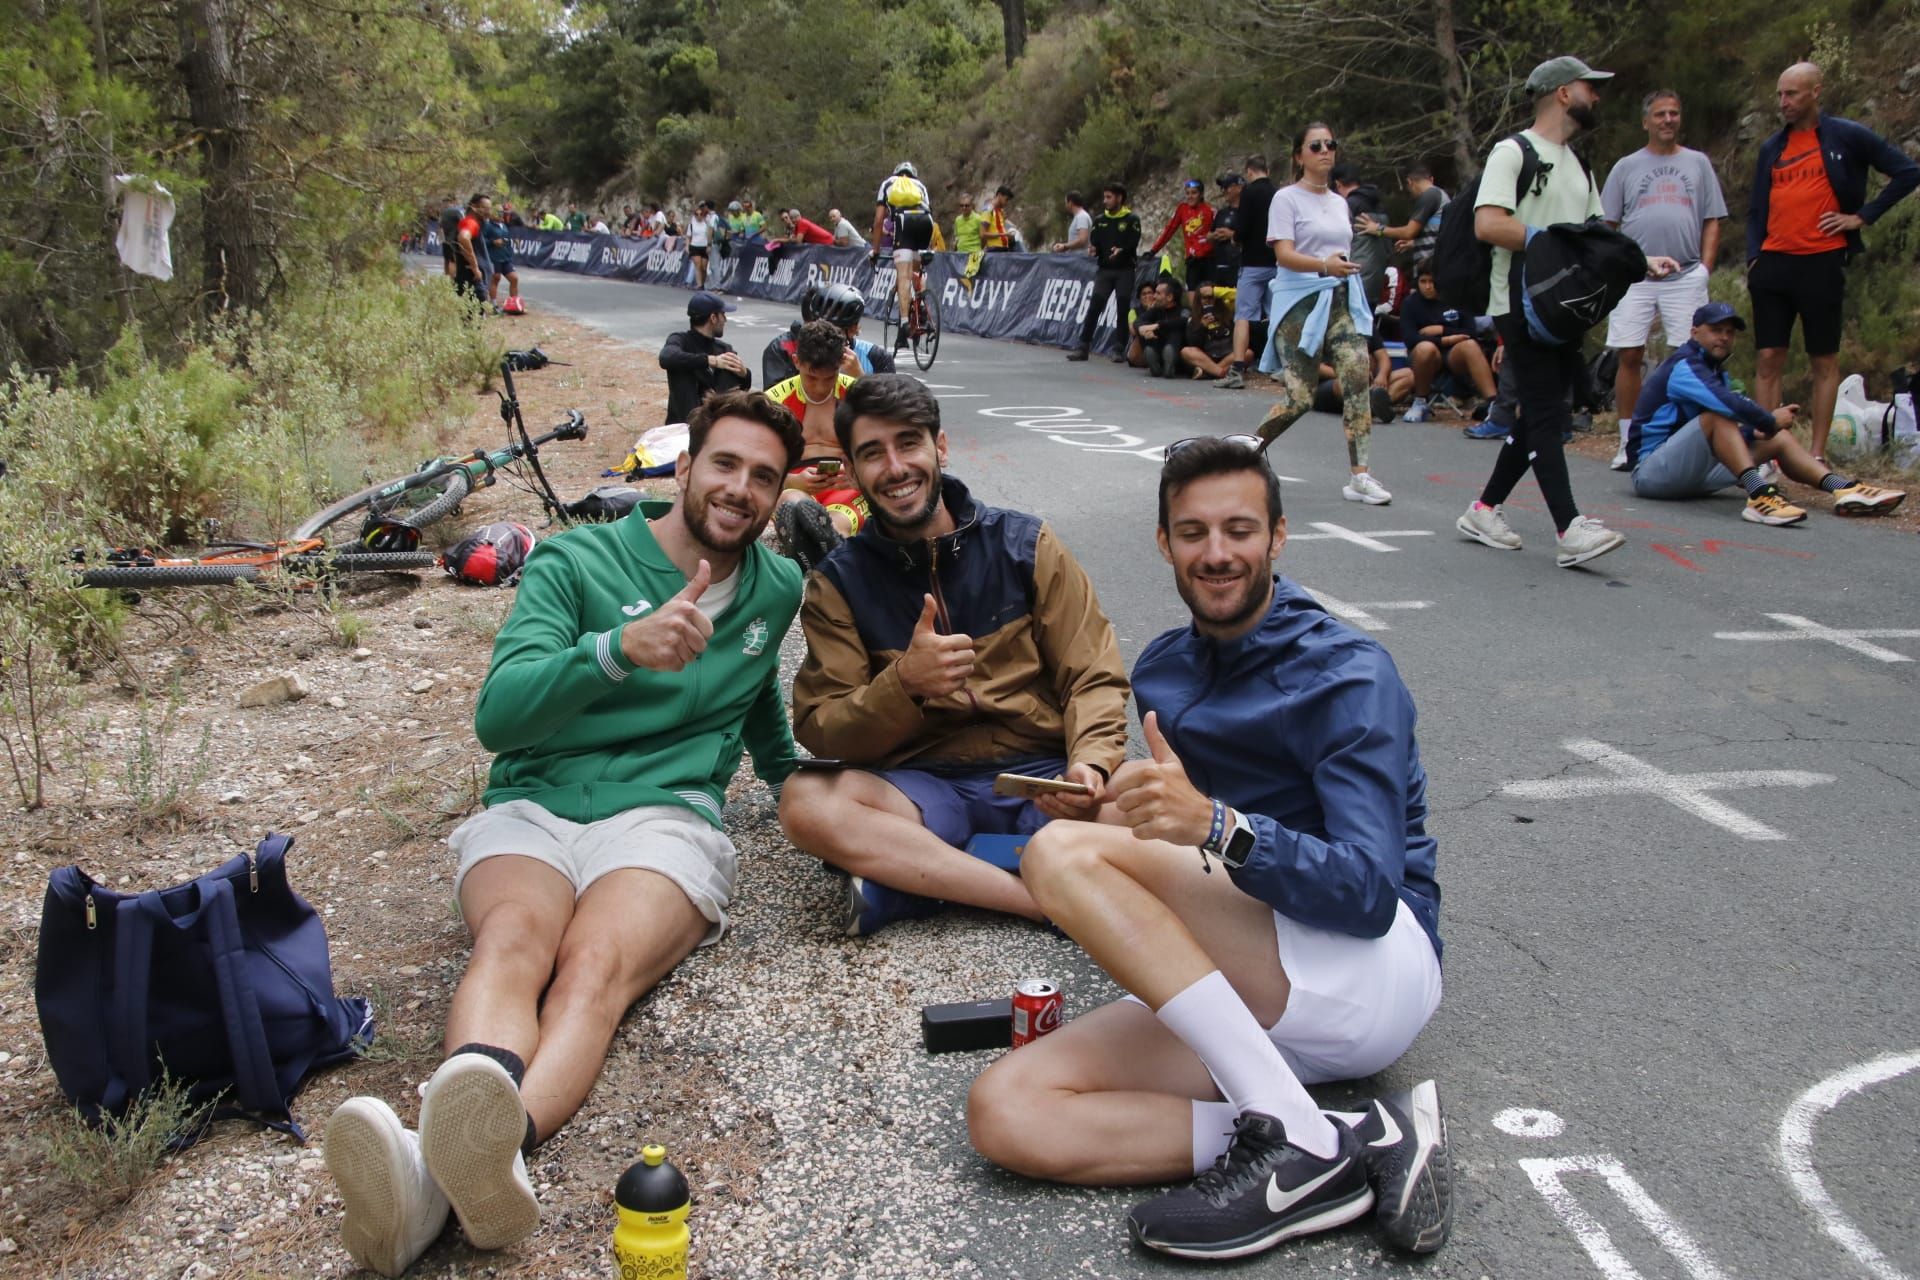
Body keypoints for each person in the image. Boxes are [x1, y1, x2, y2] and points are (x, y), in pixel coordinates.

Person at [322, 392, 806, 1278]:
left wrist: (803, 785)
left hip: (664, 818)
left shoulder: (777, 587)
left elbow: (757, 695)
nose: (741, 488)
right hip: (538, 801)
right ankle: (468, 1166)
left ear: (778, 496)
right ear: (684, 465)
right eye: (726, 464)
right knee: (514, 942)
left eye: (763, 477)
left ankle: (437, 1173)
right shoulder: (575, 562)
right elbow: (499, 718)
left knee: (592, 971)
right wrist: (617, 650)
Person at [966, 434, 1450, 1262]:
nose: (1217, 553)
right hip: (1251, 976)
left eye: (1239, 530)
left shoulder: (1348, 675)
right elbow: (1173, 835)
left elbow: (1370, 896)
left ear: (1278, 537)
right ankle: (1349, 1134)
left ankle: (1288, 1134)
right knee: (1009, 1110)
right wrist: (1102, 798)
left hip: (1371, 967)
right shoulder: (1166, 668)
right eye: (1194, 533)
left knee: (1063, 857)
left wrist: (1217, 826)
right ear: (1165, 544)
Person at [779, 375, 1131, 935]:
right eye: (873, 453)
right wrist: (906, 684)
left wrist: (1086, 765)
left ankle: (922, 881)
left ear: (939, 447)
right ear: (850, 468)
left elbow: (1093, 675)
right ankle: (1033, 897)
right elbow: (824, 727)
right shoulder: (839, 583)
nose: (895, 468)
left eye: (909, 443)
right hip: (920, 791)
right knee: (806, 803)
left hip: (1040, 781)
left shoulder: (1026, 545)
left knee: (1158, 795)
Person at [1455, 56, 1678, 568]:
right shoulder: (1513, 153)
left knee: (1540, 409)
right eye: (1588, 88)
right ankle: (1569, 527)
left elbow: (1595, 237)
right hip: (1517, 300)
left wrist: (1641, 262)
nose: (1596, 97)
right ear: (1561, 93)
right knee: (1546, 411)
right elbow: (1488, 224)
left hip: (1562, 309)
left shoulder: (1579, 164)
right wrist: (1550, 242)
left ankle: (1484, 508)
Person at [1749, 61, 1920, 463]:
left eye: (1791, 93)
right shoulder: (1772, 147)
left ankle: (1817, 453)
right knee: (1769, 357)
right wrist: (1754, 257)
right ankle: (1769, 450)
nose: (1783, 102)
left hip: (1821, 262)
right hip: (1773, 263)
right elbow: (1757, 208)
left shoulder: (1846, 135)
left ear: (1815, 92)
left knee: (1823, 357)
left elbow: (1907, 172)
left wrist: (1861, 216)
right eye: (1779, 94)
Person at [1627, 303, 1905, 523]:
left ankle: (1845, 490)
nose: (1724, 337)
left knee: (1775, 438)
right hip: (1652, 473)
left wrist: (1758, 431)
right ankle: (1760, 495)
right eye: (1716, 330)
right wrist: (1769, 419)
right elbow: (1725, 406)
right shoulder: (1683, 366)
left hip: (1690, 474)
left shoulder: (1714, 371)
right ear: (1694, 332)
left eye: (1729, 332)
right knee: (1720, 417)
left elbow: (1720, 429)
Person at [1253, 122, 1391, 506]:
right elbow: (1283, 255)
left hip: (1340, 299)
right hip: (1299, 303)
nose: (1325, 151)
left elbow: (1340, 253)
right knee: (1300, 399)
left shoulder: (1339, 202)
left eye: (1331, 144)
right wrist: (1324, 266)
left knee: (1357, 373)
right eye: (1316, 146)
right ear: (1299, 156)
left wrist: (1342, 269)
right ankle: (1245, 452)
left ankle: (1360, 476)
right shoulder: (1285, 199)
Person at [1601, 89, 1729, 470]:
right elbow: (1608, 223)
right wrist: (1621, 263)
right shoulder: (1626, 167)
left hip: (1685, 273)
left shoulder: (1698, 163)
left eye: (1674, 113)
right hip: (1636, 275)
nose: (1668, 120)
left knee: (1687, 358)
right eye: (1660, 114)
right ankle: (1629, 440)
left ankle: (1679, 436)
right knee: (1629, 353)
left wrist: (1705, 267)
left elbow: (1712, 219)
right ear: (1646, 122)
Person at [769, 319, 868, 568]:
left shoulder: (857, 393)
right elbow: (755, 461)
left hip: (847, 485)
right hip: (794, 484)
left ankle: (823, 549)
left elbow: (885, 435)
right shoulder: (774, 401)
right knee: (791, 504)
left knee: (837, 525)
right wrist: (791, 481)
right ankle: (820, 553)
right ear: (796, 362)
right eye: (812, 377)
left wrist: (857, 475)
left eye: (830, 377)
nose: (821, 386)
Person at [1398, 262, 1494, 419]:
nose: (1428, 287)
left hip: (1454, 355)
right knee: (1425, 348)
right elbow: (1410, 338)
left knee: (1470, 345)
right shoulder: (1410, 303)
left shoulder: (1457, 298)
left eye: (1432, 281)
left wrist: (1442, 331)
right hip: (1424, 359)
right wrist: (1446, 340)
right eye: (1423, 282)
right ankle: (1420, 401)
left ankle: (1493, 403)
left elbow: (1471, 333)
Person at [1217, 155, 1279, 390]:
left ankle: (1238, 368)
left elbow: (1241, 229)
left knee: (1244, 315)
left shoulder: (1249, 194)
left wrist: (1235, 238)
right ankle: (1281, 365)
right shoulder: (1278, 193)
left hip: (1252, 262)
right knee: (1277, 315)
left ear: (1250, 172)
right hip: (1275, 262)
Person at [763, 281, 898, 385]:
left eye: (834, 330)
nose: (824, 335)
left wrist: (859, 378)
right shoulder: (783, 348)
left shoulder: (877, 357)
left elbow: (890, 412)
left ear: (853, 329)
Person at [1067, 184, 1143, 362]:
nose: (1105, 201)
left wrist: (1122, 250)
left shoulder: (1132, 219)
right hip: (1105, 270)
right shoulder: (1100, 220)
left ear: (1119, 198)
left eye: (1109, 197)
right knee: (1094, 306)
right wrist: (1094, 249)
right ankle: (1083, 346)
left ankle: (1119, 348)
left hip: (1125, 270)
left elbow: (1133, 242)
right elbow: (1095, 242)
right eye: (1105, 197)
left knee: (1122, 308)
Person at [658, 292, 751, 425]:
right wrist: (710, 360)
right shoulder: (680, 340)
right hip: (684, 423)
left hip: (716, 420)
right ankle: (693, 425)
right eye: (723, 315)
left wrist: (744, 374)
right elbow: (666, 357)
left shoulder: (724, 349)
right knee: (680, 367)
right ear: (713, 318)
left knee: (728, 366)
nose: (725, 320)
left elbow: (742, 387)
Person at [874, 162, 936, 334]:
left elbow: (879, 220)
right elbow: (929, 212)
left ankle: (904, 323)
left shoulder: (888, 183)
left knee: (903, 274)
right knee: (917, 271)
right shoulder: (920, 186)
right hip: (926, 224)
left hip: (904, 223)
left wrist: (875, 250)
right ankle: (921, 305)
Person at [1359, 166, 1448, 277]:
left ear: (1409, 182)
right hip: (1440, 264)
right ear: (1431, 179)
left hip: (1431, 269)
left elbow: (1409, 232)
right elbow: (1440, 233)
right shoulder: (1442, 195)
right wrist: (1415, 243)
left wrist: (1378, 229)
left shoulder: (1429, 196)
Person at [1331, 164, 1390, 306]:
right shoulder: (1378, 204)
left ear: (1337, 184)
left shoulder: (1346, 206)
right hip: (1377, 278)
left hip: (1355, 279)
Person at [1146, 178, 1214, 286]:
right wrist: (1154, 250)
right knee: (1193, 296)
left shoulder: (1210, 210)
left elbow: (1215, 235)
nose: (1190, 196)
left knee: (1210, 295)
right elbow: (1169, 230)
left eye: (1194, 193)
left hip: (1209, 259)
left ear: (1201, 194)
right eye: (1187, 193)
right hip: (1192, 261)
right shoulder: (1182, 209)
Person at [1179, 279, 1237, 380]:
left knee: (1247, 353)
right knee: (1186, 351)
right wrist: (1202, 327)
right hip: (1207, 356)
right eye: (1204, 298)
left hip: (1226, 355)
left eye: (1211, 297)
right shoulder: (1193, 318)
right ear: (1199, 300)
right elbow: (1193, 343)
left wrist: (1216, 291)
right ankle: (1220, 372)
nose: (1208, 301)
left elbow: (1239, 295)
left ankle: (1209, 372)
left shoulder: (1227, 313)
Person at [1136, 279, 1188, 379]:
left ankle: (1170, 364)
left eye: (1158, 293)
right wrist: (1142, 330)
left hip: (1178, 355)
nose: (1154, 296)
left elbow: (1183, 321)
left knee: (1175, 332)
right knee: (1145, 331)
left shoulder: (1184, 310)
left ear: (1169, 297)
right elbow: (1139, 321)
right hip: (1158, 347)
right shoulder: (1156, 310)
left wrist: (1158, 325)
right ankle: (1155, 363)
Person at [452, 194, 490, 304]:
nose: (488, 212)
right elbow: (463, 238)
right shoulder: (470, 222)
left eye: (489, 209)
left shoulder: (474, 223)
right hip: (471, 279)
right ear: (474, 207)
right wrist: (475, 267)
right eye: (485, 208)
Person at [1208, 174, 1243, 287]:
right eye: (1222, 188)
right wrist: (1214, 235)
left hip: (1239, 266)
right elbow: (1208, 235)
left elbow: (1255, 237)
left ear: (1239, 188)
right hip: (1219, 266)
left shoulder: (1247, 212)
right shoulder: (1222, 213)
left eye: (1227, 187)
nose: (1224, 191)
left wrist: (1232, 235)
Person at [483, 207, 520, 310]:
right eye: (498, 213)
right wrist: (492, 242)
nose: (500, 215)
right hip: (494, 258)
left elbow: (506, 240)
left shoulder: (504, 226)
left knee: (514, 278)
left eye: (501, 213)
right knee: (496, 279)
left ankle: (514, 303)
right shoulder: (487, 226)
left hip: (506, 258)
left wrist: (512, 243)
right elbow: (482, 241)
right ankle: (494, 304)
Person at [686, 200, 720, 289]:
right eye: (697, 214)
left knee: (704, 267)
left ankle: (704, 283)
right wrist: (687, 246)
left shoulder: (708, 221)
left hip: (704, 246)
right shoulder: (692, 224)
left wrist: (709, 244)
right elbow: (688, 236)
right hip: (695, 246)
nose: (699, 216)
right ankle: (699, 285)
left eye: (701, 214)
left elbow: (711, 231)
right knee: (698, 265)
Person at [437, 196, 463, 279]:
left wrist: (441, 239)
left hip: (445, 240)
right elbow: (462, 223)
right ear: (453, 202)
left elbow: (440, 226)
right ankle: (452, 279)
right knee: (453, 261)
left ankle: (446, 276)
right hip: (454, 240)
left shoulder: (443, 213)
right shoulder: (456, 212)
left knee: (446, 259)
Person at [983, 186, 1016, 252]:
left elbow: (1000, 229)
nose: (1007, 203)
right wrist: (1003, 234)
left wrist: (1008, 237)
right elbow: (983, 234)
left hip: (1003, 248)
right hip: (994, 249)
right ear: (999, 195)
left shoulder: (1001, 211)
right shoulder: (988, 210)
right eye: (1006, 199)